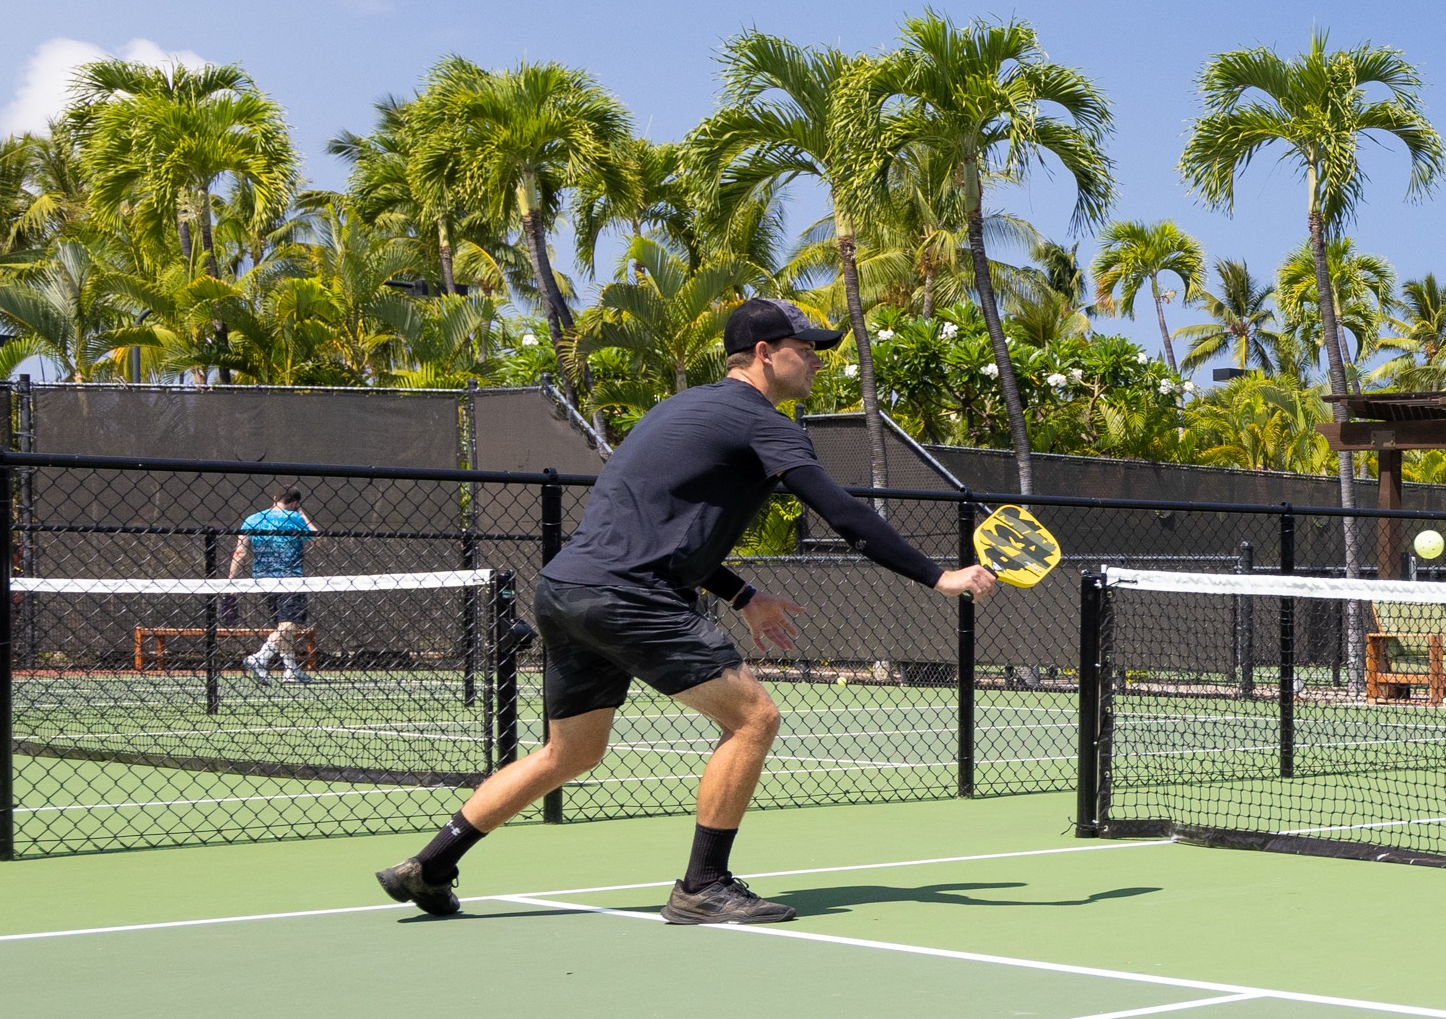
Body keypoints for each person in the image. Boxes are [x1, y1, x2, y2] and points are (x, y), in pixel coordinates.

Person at [376, 300, 998, 926]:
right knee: (755, 717)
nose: (814, 359)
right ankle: (703, 885)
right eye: (804, 347)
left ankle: (431, 865)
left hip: (567, 590)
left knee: (568, 754)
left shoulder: (678, 411)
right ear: (763, 353)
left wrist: (744, 595)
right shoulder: (764, 422)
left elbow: (660, 528)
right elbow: (844, 514)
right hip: (627, 596)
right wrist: (938, 575)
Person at [229, 485, 317, 685]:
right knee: (289, 624)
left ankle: (290, 669)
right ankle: (260, 658)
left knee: (283, 626)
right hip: (290, 580)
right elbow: (316, 538)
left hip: (262, 580)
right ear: (294, 503)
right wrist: (302, 514)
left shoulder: (252, 519)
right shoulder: (295, 519)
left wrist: (231, 581)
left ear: (275, 497)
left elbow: (240, 552)